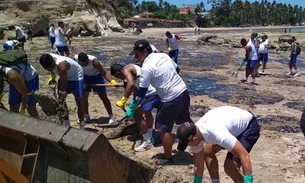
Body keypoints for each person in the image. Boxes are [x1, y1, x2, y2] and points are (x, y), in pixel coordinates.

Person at [126, 39, 192, 163]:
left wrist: (134, 105)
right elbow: (177, 70)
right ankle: (199, 142)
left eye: (137, 54)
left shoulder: (146, 67)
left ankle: (168, 158)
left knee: (165, 129)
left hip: (170, 98)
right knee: (186, 121)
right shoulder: (162, 55)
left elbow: (142, 91)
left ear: (145, 51)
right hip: (183, 91)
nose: (135, 57)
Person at [176, 106, 260, 183]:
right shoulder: (195, 133)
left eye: (187, 144)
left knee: (230, 166)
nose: (189, 146)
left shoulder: (217, 133)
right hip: (229, 127)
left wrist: (248, 180)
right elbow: (198, 165)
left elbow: (244, 156)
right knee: (207, 152)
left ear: (194, 139)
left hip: (248, 126)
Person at [110, 63, 161, 151]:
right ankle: (150, 137)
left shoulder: (126, 70)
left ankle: (148, 142)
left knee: (137, 115)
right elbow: (136, 89)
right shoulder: (131, 69)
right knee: (147, 112)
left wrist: (123, 101)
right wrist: (134, 104)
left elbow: (130, 84)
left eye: (117, 77)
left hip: (151, 93)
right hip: (149, 92)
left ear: (118, 73)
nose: (120, 79)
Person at [39, 53, 84, 128]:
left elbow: (64, 84)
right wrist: (52, 76)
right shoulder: (47, 58)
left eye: (51, 67)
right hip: (63, 76)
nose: (50, 69)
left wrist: (63, 93)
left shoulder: (62, 66)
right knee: (61, 102)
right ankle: (67, 123)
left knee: (79, 101)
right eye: (47, 69)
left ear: (53, 62)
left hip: (76, 76)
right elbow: (54, 71)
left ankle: (82, 124)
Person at [74, 52, 117, 124]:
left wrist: (111, 81)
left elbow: (104, 72)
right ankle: (86, 116)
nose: (85, 65)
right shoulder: (74, 59)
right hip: (85, 77)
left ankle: (111, 116)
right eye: (83, 64)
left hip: (96, 76)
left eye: (86, 63)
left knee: (103, 96)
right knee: (84, 97)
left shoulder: (94, 61)